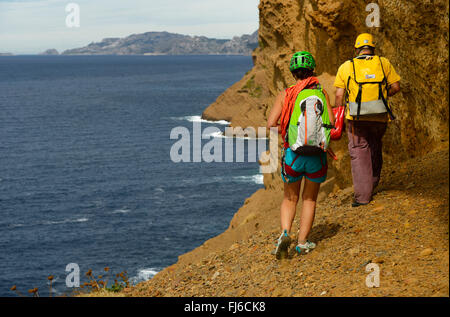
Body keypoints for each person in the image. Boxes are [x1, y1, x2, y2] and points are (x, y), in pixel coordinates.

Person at [267, 51, 335, 259]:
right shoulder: (322, 93)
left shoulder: (286, 94)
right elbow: (331, 123)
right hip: (316, 156)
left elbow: (271, 124)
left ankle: (285, 233)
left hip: (293, 155)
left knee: (290, 198)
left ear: (293, 72)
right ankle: (303, 242)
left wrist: (288, 130)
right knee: (309, 199)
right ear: (312, 69)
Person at [334, 33, 401, 207]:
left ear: (357, 49)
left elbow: (339, 94)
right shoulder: (383, 62)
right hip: (380, 115)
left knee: (358, 152)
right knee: (375, 146)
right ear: (372, 48)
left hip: (356, 117)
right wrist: (384, 97)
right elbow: (396, 87)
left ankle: (363, 197)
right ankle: (373, 181)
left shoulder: (347, 66)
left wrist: (338, 114)